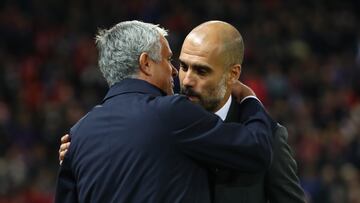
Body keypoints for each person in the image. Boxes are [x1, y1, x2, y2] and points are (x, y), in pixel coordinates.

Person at [55, 20, 274, 203]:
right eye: (168, 59)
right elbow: (256, 148)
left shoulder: (78, 135)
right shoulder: (171, 113)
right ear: (146, 63)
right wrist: (249, 99)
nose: (174, 70)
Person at [178, 21, 306, 202]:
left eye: (201, 71)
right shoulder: (164, 124)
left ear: (233, 74)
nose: (187, 81)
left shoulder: (270, 138)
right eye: (184, 67)